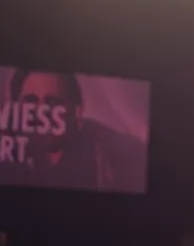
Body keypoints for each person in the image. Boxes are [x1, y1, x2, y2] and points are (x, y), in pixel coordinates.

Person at [0, 69, 147, 193]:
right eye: (31, 101)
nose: (41, 112)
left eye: (53, 102)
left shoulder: (119, 156)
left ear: (77, 112)